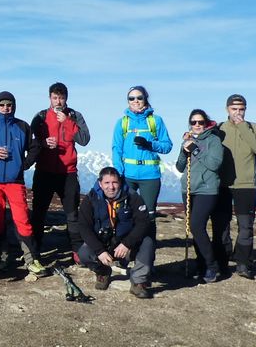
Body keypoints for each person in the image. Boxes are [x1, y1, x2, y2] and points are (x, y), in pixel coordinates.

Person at [28, 82, 91, 262]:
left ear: (66, 99)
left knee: (72, 214)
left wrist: (68, 122)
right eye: (55, 98)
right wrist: (43, 143)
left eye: (61, 98)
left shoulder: (74, 116)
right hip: (44, 171)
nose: (58, 101)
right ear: (50, 98)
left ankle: (77, 250)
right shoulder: (40, 117)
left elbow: (84, 139)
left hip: (68, 172)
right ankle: (35, 250)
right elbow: (31, 143)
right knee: (39, 213)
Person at [0, 92, 44, 275]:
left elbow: (35, 147)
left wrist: (23, 164)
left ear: (14, 106)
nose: (5, 108)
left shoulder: (22, 126)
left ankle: (32, 260)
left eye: (9, 105)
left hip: (15, 182)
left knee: (22, 220)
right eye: (2, 105)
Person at [76, 167, 155, 299]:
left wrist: (127, 243)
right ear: (100, 183)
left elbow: (143, 222)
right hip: (103, 244)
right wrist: (100, 251)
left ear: (120, 182)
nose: (111, 187)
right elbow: (84, 227)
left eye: (114, 182)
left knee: (147, 242)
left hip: (126, 245)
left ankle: (139, 282)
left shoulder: (132, 197)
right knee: (84, 253)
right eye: (107, 183)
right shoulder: (91, 199)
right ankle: (103, 272)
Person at [217, 94, 256, 280]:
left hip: (246, 185)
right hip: (222, 184)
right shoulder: (219, 129)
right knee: (221, 225)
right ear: (227, 109)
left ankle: (243, 263)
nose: (238, 112)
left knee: (246, 226)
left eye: (241, 109)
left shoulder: (253, 128)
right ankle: (222, 261)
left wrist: (243, 127)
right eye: (234, 109)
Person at [110, 86, 172, 223]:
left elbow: (167, 146)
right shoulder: (122, 123)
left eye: (139, 97)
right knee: (124, 214)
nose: (135, 101)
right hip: (127, 175)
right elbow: (116, 149)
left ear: (145, 99)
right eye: (131, 98)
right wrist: (118, 173)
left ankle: (148, 238)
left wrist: (149, 144)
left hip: (150, 175)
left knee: (148, 216)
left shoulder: (156, 121)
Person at [176, 110, 225, 283]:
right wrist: (184, 151)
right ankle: (202, 264)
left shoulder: (214, 140)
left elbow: (214, 164)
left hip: (206, 189)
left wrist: (195, 150)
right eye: (193, 122)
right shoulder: (188, 140)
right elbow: (180, 167)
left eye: (200, 122)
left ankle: (212, 265)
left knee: (196, 225)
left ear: (206, 123)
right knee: (195, 227)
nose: (197, 125)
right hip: (188, 188)